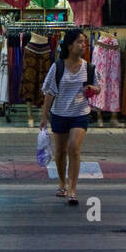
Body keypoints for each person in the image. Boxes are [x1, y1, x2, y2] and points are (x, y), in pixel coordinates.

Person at [40, 28, 97, 205]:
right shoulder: (57, 67)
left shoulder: (89, 67)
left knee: (74, 148)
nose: (83, 45)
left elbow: (98, 86)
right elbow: (49, 93)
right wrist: (44, 117)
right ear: (70, 45)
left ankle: (72, 189)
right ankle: (62, 183)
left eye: (85, 42)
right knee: (60, 151)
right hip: (59, 114)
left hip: (80, 114)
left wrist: (94, 89)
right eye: (80, 42)